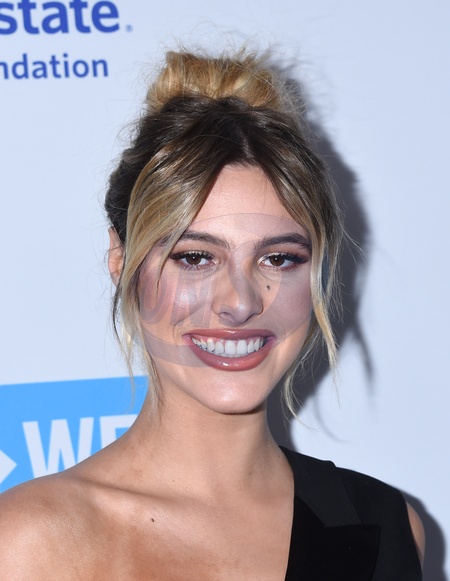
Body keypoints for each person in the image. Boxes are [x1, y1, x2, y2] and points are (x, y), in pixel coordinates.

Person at [0, 49, 424, 580]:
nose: (240, 302)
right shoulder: (29, 544)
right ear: (121, 259)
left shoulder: (385, 524)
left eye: (278, 259)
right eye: (195, 257)